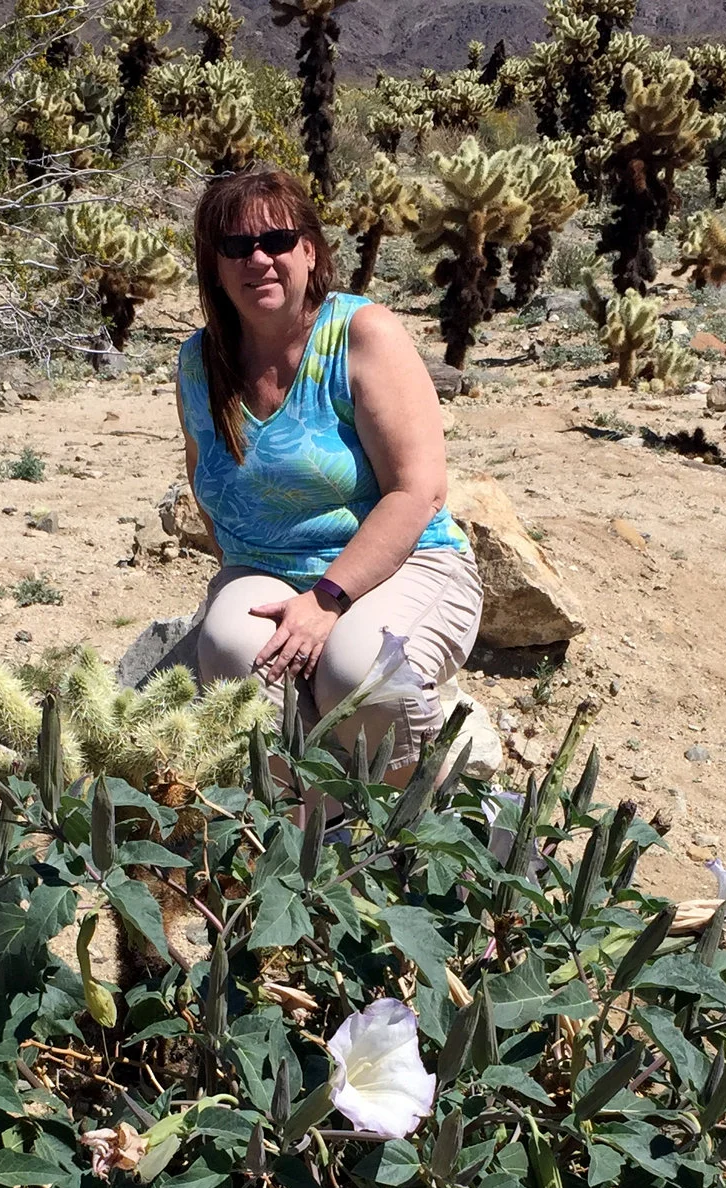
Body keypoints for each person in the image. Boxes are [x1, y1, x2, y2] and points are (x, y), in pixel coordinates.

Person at [177, 166, 482, 771]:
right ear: (215, 264)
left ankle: (405, 819)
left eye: (277, 241)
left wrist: (326, 599)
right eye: (235, 246)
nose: (257, 259)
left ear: (310, 251)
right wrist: (243, 579)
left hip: (405, 561)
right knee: (234, 645)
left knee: (357, 668)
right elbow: (205, 482)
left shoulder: (361, 333)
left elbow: (418, 490)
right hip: (269, 567)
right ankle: (299, 837)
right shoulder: (198, 360)